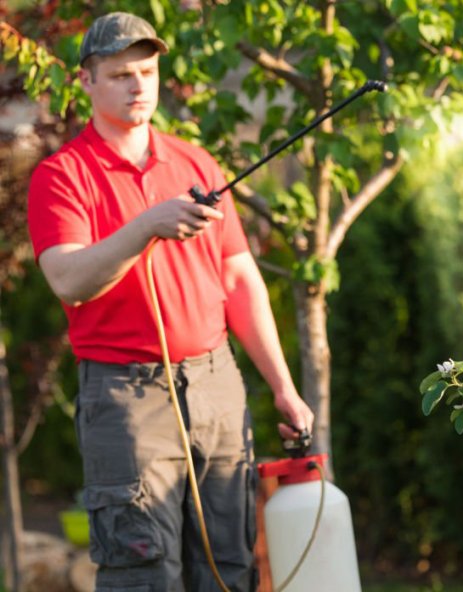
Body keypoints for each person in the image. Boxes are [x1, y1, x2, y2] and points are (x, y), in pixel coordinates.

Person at [27, 12, 313, 591]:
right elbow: (68, 280)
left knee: (228, 566)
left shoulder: (195, 163)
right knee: (144, 571)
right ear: (87, 81)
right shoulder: (62, 176)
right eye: (121, 74)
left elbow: (240, 281)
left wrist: (282, 386)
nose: (139, 86)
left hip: (215, 383)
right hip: (125, 397)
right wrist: (147, 225)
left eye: (149, 72)